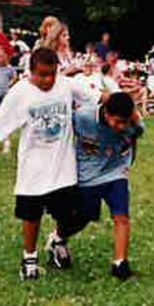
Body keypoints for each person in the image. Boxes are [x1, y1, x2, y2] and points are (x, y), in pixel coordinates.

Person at [0, 48, 99, 282]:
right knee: (31, 215)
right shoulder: (21, 92)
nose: (47, 80)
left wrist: (123, 102)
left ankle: (58, 241)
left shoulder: (66, 85)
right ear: (31, 72)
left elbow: (97, 98)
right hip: (33, 169)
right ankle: (29, 258)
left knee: (75, 213)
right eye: (42, 75)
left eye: (52, 74)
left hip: (63, 167)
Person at [52, 92, 143, 281]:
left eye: (125, 122)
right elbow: (63, 136)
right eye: (117, 122)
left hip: (115, 171)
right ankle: (58, 238)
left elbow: (136, 136)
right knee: (83, 217)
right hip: (88, 175)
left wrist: (128, 162)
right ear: (106, 113)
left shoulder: (132, 122)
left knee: (122, 217)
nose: (121, 127)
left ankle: (120, 264)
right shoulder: (83, 117)